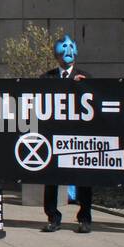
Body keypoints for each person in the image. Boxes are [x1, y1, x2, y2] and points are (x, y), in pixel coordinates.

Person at [41, 34, 93, 233]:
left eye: (70, 52)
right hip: (54, 136)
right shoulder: (47, 78)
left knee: (84, 178)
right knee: (51, 178)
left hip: (78, 137)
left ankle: (85, 217)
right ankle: (53, 217)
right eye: (63, 53)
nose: (67, 56)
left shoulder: (85, 77)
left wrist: (83, 87)